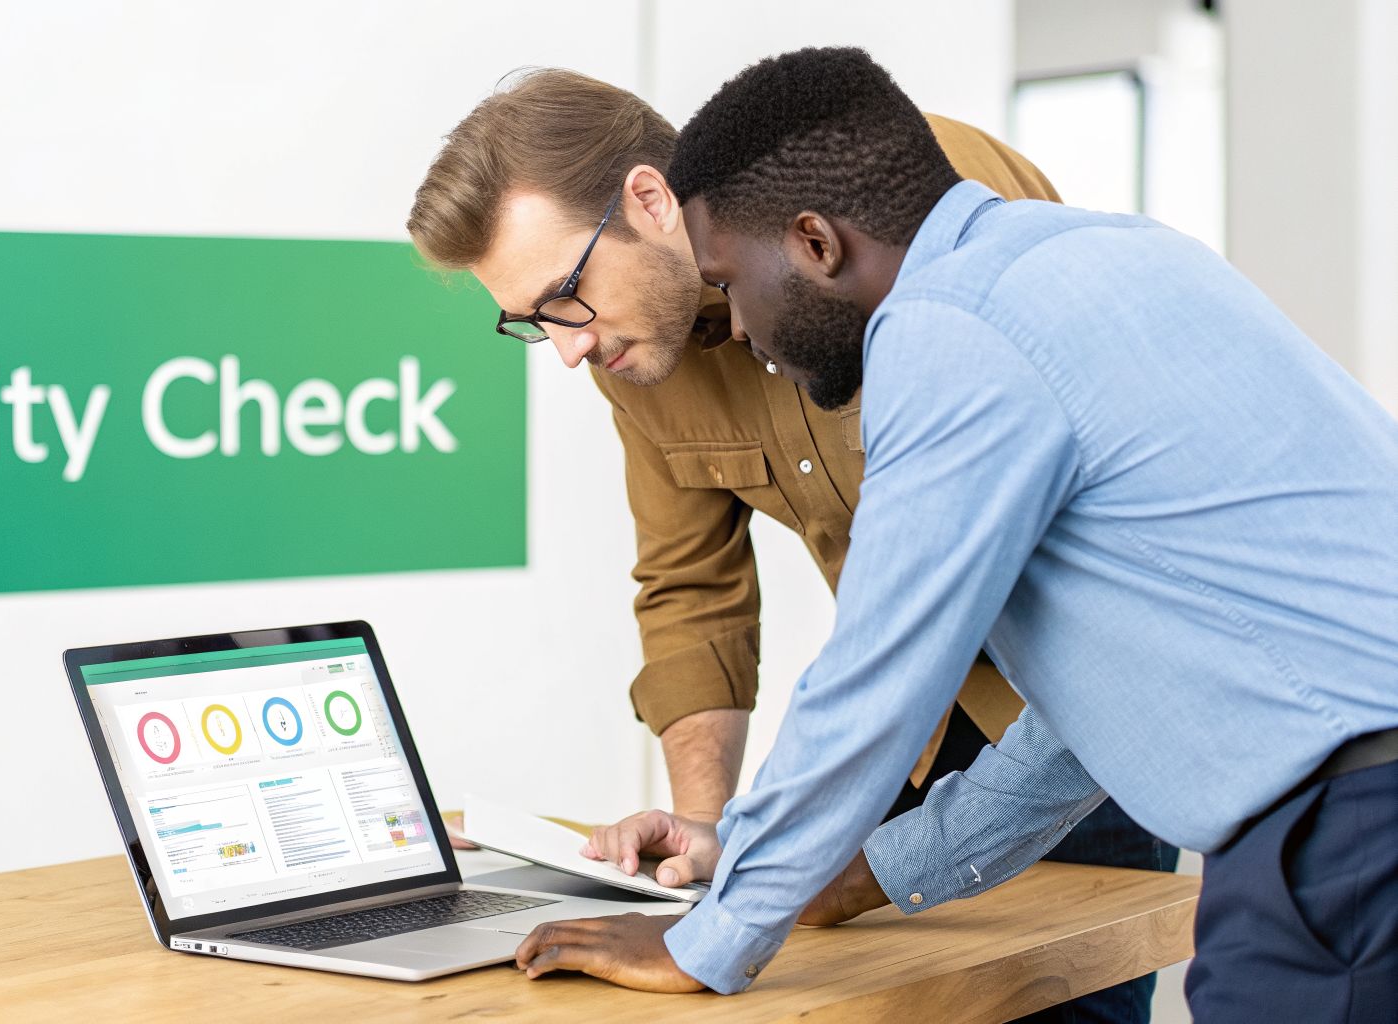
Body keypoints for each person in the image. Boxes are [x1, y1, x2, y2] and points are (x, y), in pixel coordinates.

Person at [502, 47, 1398, 1021]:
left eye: (730, 283)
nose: (744, 334)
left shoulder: (947, 331)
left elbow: (876, 675)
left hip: (1343, 837)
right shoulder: (1111, 254)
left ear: (812, 243)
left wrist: (711, 933)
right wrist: (866, 870)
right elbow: (1088, 725)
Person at [408, 69, 1174, 1021]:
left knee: (1064, 1003)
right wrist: (715, 832)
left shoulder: (897, 198)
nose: (566, 347)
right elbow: (692, 591)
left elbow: (974, 594)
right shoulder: (630, 349)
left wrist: (750, 901)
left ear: (649, 200)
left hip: (1074, 700)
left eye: (565, 297)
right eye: (530, 322)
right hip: (893, 733)